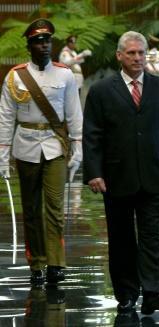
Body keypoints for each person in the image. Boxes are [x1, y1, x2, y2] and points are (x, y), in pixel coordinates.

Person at [82, 31, 159, 315]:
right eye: (131, 53)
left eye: (141, 53)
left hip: (154, 174)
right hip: (116, 177)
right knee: (121, 237)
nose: (137, 58)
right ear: (119, 56)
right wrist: (93, 172)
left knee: (151, 235)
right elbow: (92, 135)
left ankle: (152, 290)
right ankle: (126, 293)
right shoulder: (102, 91)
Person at [0, 18, 82, 286]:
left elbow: (74, 113)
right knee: (32, 209)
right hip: (25, 145)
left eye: (47, 41)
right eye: (38, 42)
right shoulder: (15, 76)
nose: (44, 46)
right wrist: (2, 155)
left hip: (55, 146)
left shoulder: (65, 74)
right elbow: (5, 117)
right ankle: (36, 262)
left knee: (55, 208)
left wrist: (78, 148)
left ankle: (56, 263)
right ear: (29, 46)